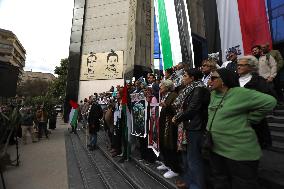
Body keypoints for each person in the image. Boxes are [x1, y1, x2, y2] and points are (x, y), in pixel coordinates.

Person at [207, 68, 276, 189]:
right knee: (220, 182)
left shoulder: (240, 93)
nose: (209, 81)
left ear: (223, 80)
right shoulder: (213, 94)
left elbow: (270, 102)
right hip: (216, 149)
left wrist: (252, 119)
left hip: (239, 152)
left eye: (213, 78)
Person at [172, 68, 210, 189]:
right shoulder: (191, 89)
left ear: (192, 78)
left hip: (196, 126)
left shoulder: (198, 89)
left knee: (194, 159)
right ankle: (189, 181)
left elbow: (192, 109)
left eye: (185, 76)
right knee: (189, 157)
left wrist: (178, 118)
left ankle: (197, 185)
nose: (183, 78)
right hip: (189, 125)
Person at [158, 80, 180, 178]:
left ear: (167, 87)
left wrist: (166, 106)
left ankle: (174, 168)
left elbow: (177, 109)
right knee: (164, 143)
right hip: (164, 122)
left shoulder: (173, 95)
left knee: (170, 144)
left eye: (162, 87)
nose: (160, 88)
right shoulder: (165, 95)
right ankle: (167, 163)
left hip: (170, 124)